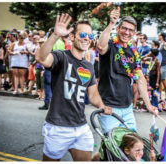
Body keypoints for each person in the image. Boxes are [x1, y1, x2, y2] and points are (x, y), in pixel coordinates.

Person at [35, 13, 112, 161]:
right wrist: (55, 35)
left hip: (81, 127)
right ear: (72, 37)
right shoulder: (61, 57)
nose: (86, 38)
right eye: (82, 34)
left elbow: (93, 95)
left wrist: (102, 106)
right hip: (58, 127)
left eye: (90, 36)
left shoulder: (89, 66)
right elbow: (41, 58)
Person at [96, 6, 158, 134]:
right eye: (124, 28)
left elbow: (140, 79)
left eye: (130, 30)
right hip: (108, 106)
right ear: (118, 29)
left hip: (127, 107)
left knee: (130, 145)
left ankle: (98, 155)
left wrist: (148, 105)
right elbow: (101, 47)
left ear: (134, 33)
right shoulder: (111, 45)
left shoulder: (133, 52)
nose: (126, 32)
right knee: (113, 145)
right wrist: (111, 23)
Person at [158, 32, 166, 103]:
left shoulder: (165, 44)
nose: (158, 36)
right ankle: (159, 96)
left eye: (159, 35)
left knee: (163, 80)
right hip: (159, 64)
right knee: (159, 81)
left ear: (161, 36)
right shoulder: (160, 44)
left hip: (164, 64)